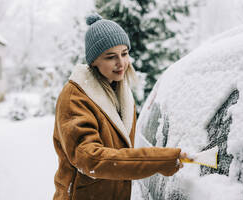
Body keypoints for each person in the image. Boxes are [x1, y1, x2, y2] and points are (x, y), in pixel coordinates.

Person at [53, 13, 190, 200]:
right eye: (111, 57)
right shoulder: (75, 97)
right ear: (94, 61)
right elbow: (90, 159)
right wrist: (158, 160)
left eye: (124, 53)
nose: (121, 63)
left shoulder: (121, 93)